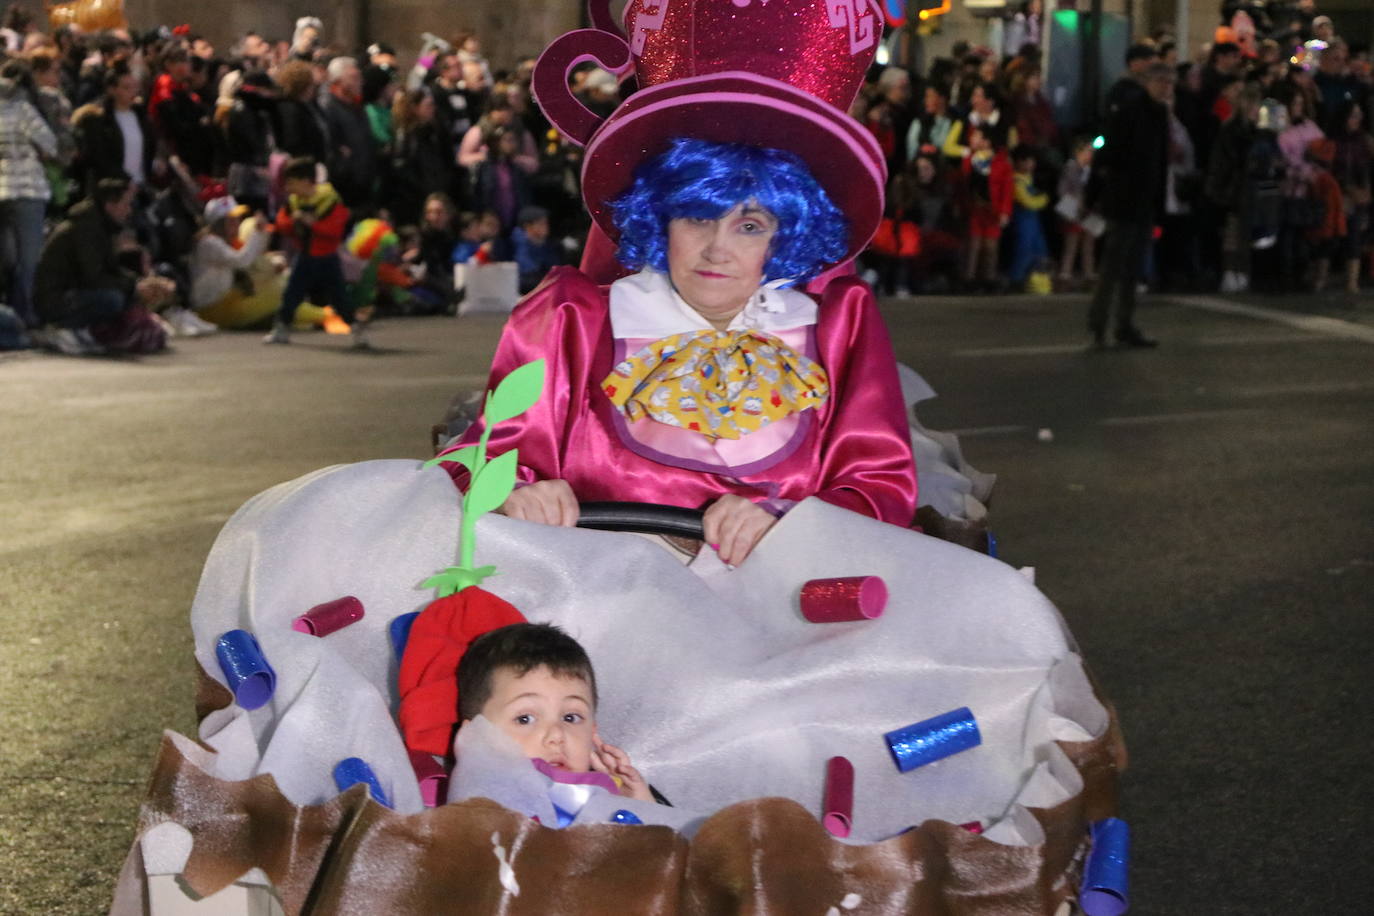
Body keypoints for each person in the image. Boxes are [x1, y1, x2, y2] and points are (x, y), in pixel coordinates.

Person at [438, 136, 917, 566]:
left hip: (783, 617)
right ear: (661, 221)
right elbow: (471, 461)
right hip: (594, 607)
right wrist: (514, 495)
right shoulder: (573, 318)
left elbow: (879, 490)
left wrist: (791, 520)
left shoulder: (837, 328)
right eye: (697, 219)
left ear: (785, 237)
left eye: (749, 226)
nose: (716, 249)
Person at [455, 623, 652, 800]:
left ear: (593, 733)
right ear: (473, 738)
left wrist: (639, 806)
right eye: (525, 719)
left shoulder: (609, 803)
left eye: (570, 717)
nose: (557, 735)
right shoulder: (454, 813)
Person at [32, 177, 172, 354]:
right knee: (112, 299)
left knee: (124, 295)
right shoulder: (86, 229)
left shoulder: (100, 226)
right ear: (110, 205)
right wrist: (134, 287)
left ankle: (86, 331)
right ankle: (61, 329)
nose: (128, 211)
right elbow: (93, 277)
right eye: (125, 204)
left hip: (71, 293)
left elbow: (109, 270)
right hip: (54, 300)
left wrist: (142, 283)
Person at [1088, 62, 1173, 349]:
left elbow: (1160, 161)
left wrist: (1159, 202)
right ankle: (1100, 324)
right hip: (1124, 198)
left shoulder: (1160, 114)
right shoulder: (1129, 111)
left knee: (1132, 268)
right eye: (1161, 81)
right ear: (1148, 82)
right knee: (1113, 266)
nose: (1166, 88)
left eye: (1169, 82)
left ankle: (1123, 323)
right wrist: (1099, 192)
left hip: (1143, 199)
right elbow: (1108, 152)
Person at [266, 156, 370, 348]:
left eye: (291, 183)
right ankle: (281, 327)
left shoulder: (330, 201)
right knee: (291, 294)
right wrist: (294, 222)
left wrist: (313, 224)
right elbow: (281, 223)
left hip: (327, 257)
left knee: (339, 296)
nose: (287, 188)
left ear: (306, 181)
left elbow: (336, 230)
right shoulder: (294, 202)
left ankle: (356, 328)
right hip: (304, 256)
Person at [0, 58, 57, 329]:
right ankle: (26, 317)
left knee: (7, 258)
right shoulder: (22, 108)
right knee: (28, 259)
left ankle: (8, 314)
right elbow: (50, 143)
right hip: (28, 189)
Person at [71, 63, 155, 196]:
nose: (133, 92)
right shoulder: (98, 120)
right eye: (126, 88)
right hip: (113, 193)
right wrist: (125, 181)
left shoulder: (141, 116)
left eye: (135, 87)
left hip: (140, 187)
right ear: (111, 90)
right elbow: (100, 158)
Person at [1007, 144, 1049, 290]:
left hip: (1033, 223)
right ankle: (1016, 280)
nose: (1032, 164)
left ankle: (1035, 282)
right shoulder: (1016, 181)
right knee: (1023, 250)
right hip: (1023, 222)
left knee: (1039, 251)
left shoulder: (1028, 179)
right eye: (1028, 161)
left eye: (1032, 161)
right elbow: (1027, 202)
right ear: (1019, 162)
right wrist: (1043, 199)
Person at [511, 204, 562, 293]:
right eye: (541, 224)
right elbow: (521, 277)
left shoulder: (549, 245)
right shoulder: (515, 245)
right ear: (528, 226)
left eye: (546, 223)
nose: (546, 227)